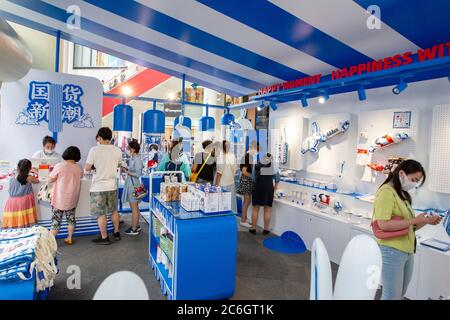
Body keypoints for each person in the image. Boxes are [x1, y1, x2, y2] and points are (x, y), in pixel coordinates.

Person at [372, 159, 442, 300]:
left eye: (417, 181)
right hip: (391, 250)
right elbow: (383, 225)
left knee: (400, 293)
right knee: (391, 295)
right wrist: (416, 219)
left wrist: (426, 221)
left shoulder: (403, 194)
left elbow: (410, 226)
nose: (414, 184)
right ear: (402, 173)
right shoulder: (386, 191)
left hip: (407, 250)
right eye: (414, 179)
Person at [85, 127, 123, 245]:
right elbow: (118, 165)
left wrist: (95, 167)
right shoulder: (117, 150)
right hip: (112, 185)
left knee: (101, 213)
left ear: (100, 138)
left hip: (98, 187)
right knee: (114, 211)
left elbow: (87, 168)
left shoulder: (94, 150)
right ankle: (116, 232)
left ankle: (104, 237)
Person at [47, 146, 83, 245]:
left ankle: (50, 242)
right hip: (72, 199)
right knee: (71, 219)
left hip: (59, 199)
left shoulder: (59, 166)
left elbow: (50, 179)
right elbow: (81, 177)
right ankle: (69, 238)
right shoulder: (79, 168)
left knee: (56, 220)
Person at [2, 159, 39, 228]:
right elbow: (38, 181)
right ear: (29, 168)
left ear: (18, 168)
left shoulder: (12, 177)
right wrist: (36, 172)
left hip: (11, 202)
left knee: (15, 219)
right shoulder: (29, 177)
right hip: (24, 201)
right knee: (24, 217)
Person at [249, 153, 280, 235]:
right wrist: (274, 188)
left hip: (257, 188)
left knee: (255, 208)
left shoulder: (256, 164)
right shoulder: (274, 166)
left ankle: (253, 228)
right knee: (267, 209)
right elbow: (277, 179)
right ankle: (266, 229)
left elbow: (253, 177)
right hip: (268, 189)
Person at [121, 139, 144, 236]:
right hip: (131, 183)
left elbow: (138, 173)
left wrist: (128, 172)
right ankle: (136, 225)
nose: (127, 149)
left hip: (133, 185)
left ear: (133, 149)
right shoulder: (133, 158)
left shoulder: (137, 159)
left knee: (134, 207)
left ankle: (134, 228)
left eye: (128, 148)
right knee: (135, 207)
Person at [236, 142, 259, 228]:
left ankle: (245, 218)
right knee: (246, 202)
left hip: (248, 181)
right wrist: (253, 177)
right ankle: (243, 220)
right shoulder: (247, 157)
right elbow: (244, 171)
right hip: (246, 181)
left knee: (248, 201)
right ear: (252, 148)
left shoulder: (250, 157)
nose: (256, 151)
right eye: (256, 149)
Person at [215, 140, 237, 212]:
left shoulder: (221, 157)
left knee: (222, 204)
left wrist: (216, 185)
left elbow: (219, 173)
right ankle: (232, 219)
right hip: (231, 182)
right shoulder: (232, 156)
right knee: (231, 203)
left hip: (222, 184)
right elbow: (234, 170)